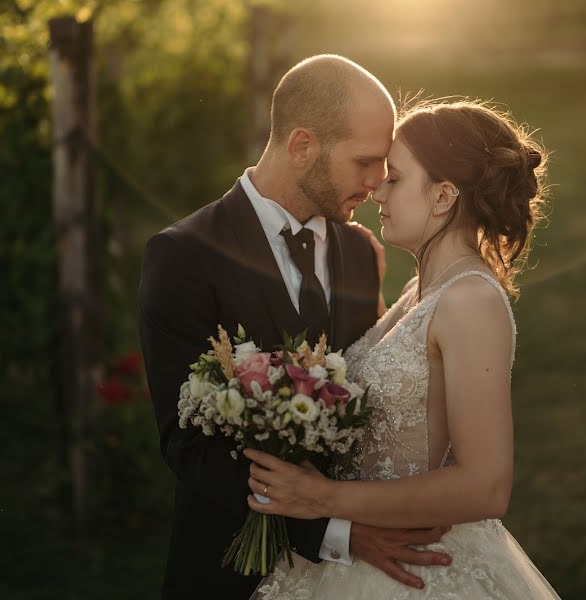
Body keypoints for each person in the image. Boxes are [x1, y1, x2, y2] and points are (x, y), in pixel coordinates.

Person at [138, 55, 453, 600]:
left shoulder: (358, 250)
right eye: (364, 162)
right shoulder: (184, 255)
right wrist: (340, 532)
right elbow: (188, 447)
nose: (378, 182)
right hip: (230, 572)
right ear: (303, 146)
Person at [243, 99, 561, 598]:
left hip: (421, 574)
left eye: (394, 178)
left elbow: (486, 486)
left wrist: (323, 496)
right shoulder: (421, 293)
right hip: (360, 556)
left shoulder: (471, 300)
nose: (376, 192)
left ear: (443, 196)